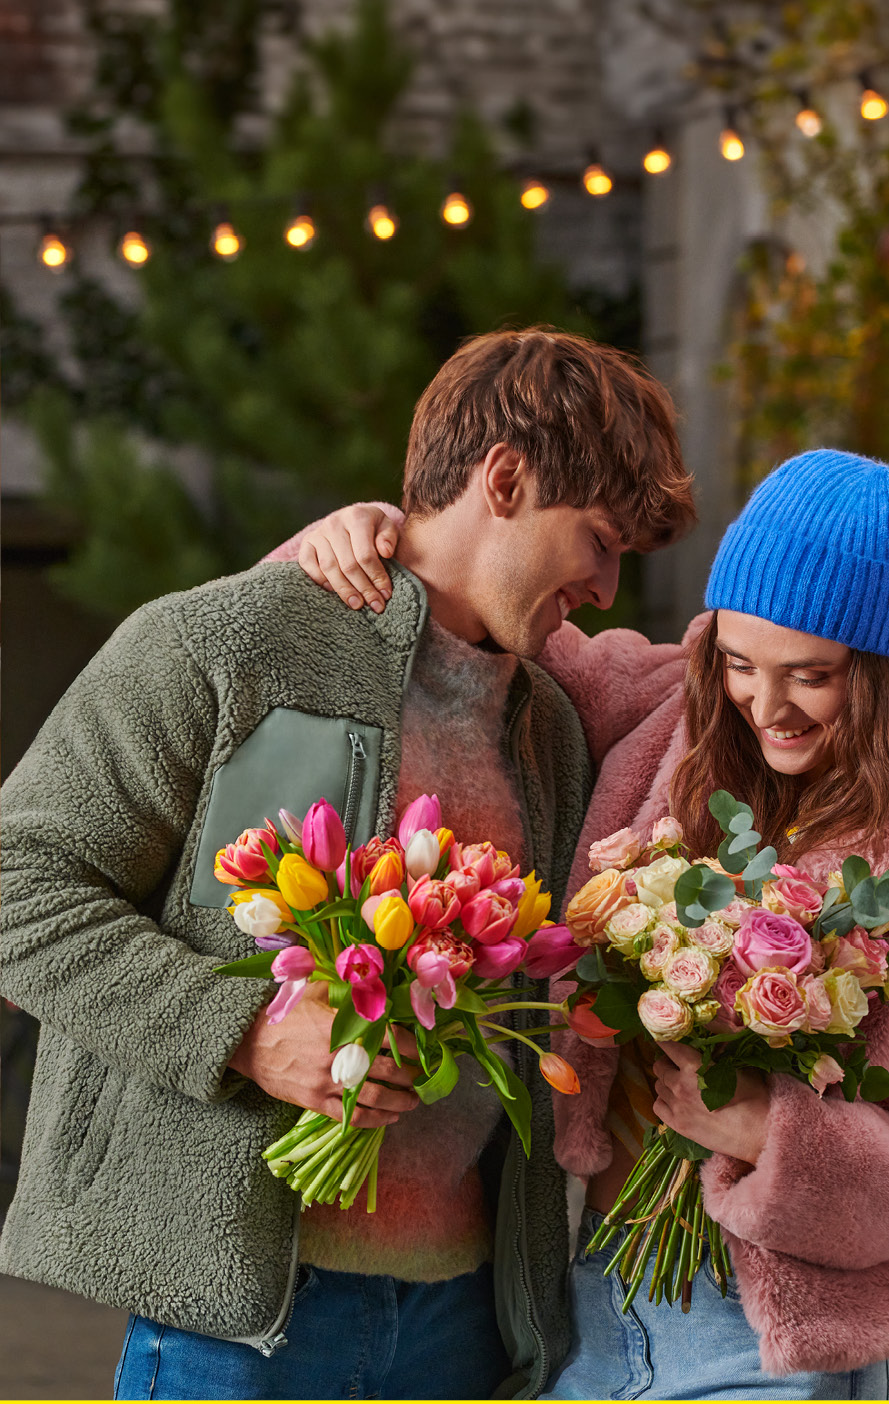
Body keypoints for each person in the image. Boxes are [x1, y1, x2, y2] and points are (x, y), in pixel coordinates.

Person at [0, 328, 696, 1402]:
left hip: (469, 1329)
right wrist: (246, 1035)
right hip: (238, 1334)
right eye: (597, 541)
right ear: (504, 478)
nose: (605, 587)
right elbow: (18, 883)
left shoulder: (551, 727)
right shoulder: (227, 645)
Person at [290, 447, 889, 1399]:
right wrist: (365, 536)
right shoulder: (665, 707)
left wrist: (778, 1136)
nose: (766, 704)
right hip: (584, 1297)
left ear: (880, 672)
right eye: (740, 662)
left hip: (763, 1331)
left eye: (812, 675)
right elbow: (484, 605)